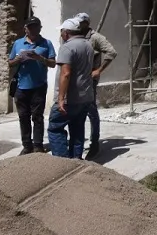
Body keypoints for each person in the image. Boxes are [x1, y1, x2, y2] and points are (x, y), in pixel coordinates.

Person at [47, 18, 96, 159]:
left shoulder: (67, 47)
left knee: (55, 129)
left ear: (67, 32)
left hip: (70, 98)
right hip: (85, 96)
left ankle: (62, 164)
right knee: (78, 129)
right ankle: (76, 160)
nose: (61, 34)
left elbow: (66, 73)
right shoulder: (88, 45)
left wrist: (61, 99)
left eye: (62, 31)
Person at [74, 12, 118, 158]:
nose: (78, 25)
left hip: (89, 80)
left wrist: (99, 70)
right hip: (76, 79)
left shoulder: (96, 38)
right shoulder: (75, 36)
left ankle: (94, 143)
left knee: (91, 110)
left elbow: (111, 52)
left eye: (81, 23)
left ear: (87, 23)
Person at [8, 17, 55, 154]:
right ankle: (27, 146)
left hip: (39, 86)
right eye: (30, 27)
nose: (33, 30)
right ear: (25, 29)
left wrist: (40, 58)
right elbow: (10, 62)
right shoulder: (18, 43)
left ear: (40, 28)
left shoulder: (46, 43)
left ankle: (38, 145)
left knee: (37, 117)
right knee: (23, 117)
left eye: (36, 27)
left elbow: (53, 63)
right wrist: (17, 59)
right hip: (21, 87)